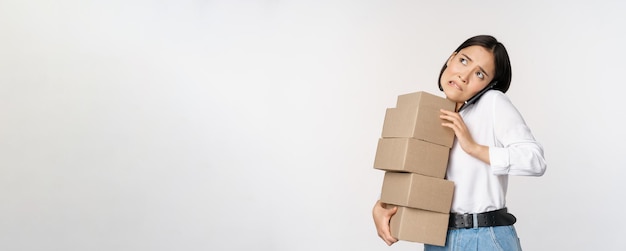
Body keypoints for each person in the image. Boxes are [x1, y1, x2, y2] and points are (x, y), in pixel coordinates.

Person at [372, 35, 547, 251]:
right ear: (451, 58)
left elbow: (535, 160)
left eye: (479, 74)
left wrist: (473, 147)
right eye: (464, 61)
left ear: (488, 85)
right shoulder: (436, 113)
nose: (464, 76)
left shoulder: (492, 103)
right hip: (438, 237)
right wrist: (383, 203)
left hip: (483, 237)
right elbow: (419, 175)